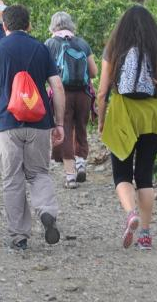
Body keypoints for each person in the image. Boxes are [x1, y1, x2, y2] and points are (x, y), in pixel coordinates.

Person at [95, 5, 157, 250]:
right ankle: (145, 235)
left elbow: (102, 91)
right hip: (153, 116)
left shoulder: (114, 49)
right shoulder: (155, 49)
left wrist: (101, 120)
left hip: (123, 113)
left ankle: (130, 214)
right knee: (144, 175)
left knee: (122, 173)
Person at [0, 5, 66, 250]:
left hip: (7, 123)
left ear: (4, 26)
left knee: (12, 178)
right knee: (39, 173)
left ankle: (20, 236)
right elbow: (57, 87)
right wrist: (59, 123)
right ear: (29, 25)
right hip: (39, 122)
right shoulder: (41, 48)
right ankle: (47, 211)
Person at [44, 12, 98, 189]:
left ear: (53, 25)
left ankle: (70, 175)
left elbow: (44, 71)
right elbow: (93, 72)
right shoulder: (82, 43)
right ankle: (81, 162)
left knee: (64, 130)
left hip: (62, 94)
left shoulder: (50, 44)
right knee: (81, 128)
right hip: (83, 94)